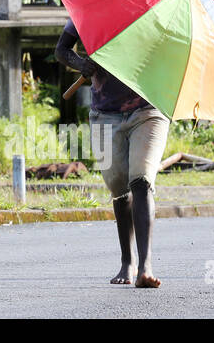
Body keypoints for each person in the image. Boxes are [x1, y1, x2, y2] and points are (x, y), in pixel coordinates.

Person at [56, 19, 170, 288]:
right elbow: (61, 50)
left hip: (149, 111)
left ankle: (145, 266)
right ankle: (127, 261)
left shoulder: (155, 17)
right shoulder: (89, 13)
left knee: (141, 180)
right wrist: (81, 64)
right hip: (105, 115)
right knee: (119, 187)